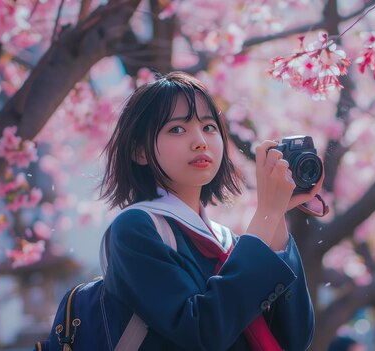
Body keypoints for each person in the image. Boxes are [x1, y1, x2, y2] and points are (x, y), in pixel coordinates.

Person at [99, 71, 320, 350]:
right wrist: (266, 213)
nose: (200, 141)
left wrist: (276, 219)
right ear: (140, 151)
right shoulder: (135, 227)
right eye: (177, 129)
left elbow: (295, 338)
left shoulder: (229, 241)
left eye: (209, 127)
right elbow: (202, 332)